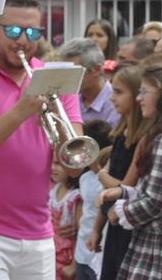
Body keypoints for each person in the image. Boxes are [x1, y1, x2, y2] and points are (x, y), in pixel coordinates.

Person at [0, 0, 84, 279]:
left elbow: (76, 161)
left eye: (32, 31)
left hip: (38, 230)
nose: (23, 40)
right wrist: (21, 111)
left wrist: (60, 128)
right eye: (13, 30)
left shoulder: (53, 77)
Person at [87, 64, 148, 280]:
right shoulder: (122, 135)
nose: (112, 98)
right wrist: (96, 229)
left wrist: (99, 171)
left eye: (119, 92)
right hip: (112, 223)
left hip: (128, 226)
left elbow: (124, 188)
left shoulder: (143, 140)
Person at [103, 63, 162, 279]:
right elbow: (146, 190)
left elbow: (155, 202)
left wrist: (120, 211)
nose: (139, 98)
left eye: (145, 92)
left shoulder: (158, 142)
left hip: (153, 247)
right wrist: (121, 194)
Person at [74, 119, 113, 280]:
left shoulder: (108, 178)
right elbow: (83, 206)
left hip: (99, 252)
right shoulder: (85, 177)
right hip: (81, 251)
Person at [59, 38, 120, 127]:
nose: (67, 77)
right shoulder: (69, 99)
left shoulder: (115, 103)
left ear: (96, 69)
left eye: (73, 72)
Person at [49, 155, 82, 280]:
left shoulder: (75, 197)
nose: (53, 168)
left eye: (58, 164)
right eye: (51, 163)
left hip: (67, 257)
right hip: (52, 253)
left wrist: (74, 265)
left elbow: (82, 233)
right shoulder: (53, 188)